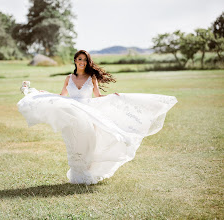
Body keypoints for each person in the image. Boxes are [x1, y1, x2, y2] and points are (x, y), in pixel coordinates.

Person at [17, 50, 177, 185]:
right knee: (74, 143)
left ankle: (87, 173)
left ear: (87, 62)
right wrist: (44, 94)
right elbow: (62, 96)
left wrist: (115, 97)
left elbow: (98, 96)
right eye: (80, 59)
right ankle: (77, 174)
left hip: (88, 113)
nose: (82, 62)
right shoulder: (68, 78)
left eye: (85, 60)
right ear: (75, 61)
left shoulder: (91, 78)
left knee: (89, 142)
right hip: (72, 113)